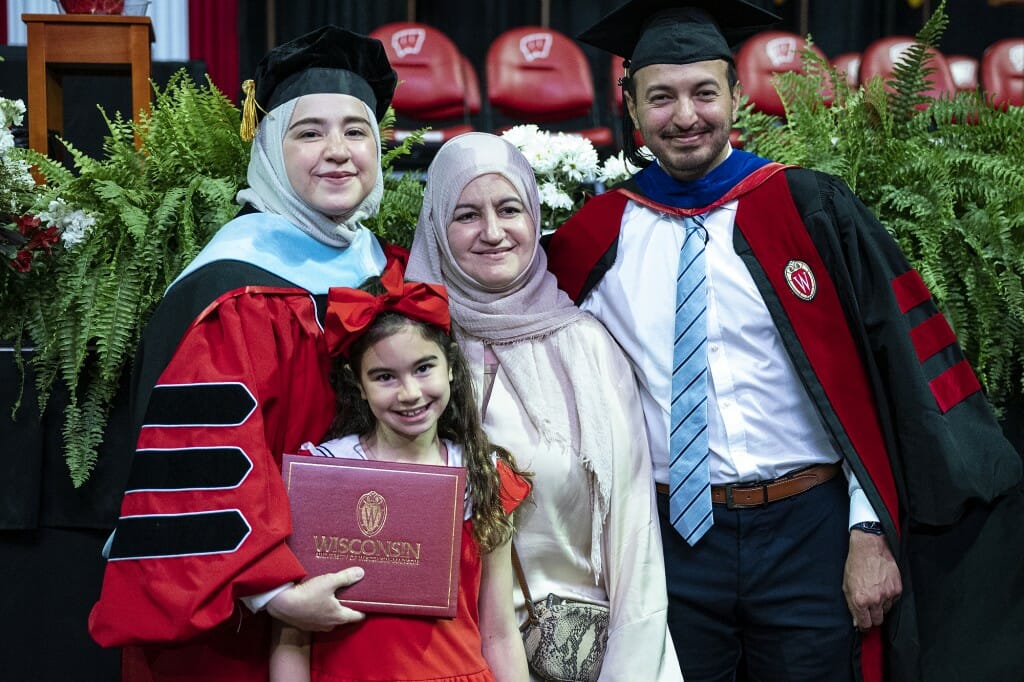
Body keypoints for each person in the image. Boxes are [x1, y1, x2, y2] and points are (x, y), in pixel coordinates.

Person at [545, 1, 1024, 681]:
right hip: (669, 543)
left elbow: (885, 384)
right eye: (662, 97)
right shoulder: (595, 239)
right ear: (632, 109)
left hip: (811, 530)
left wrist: (868, 529)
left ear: (737, 97)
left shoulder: (813, 211)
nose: (685, 116)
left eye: (704, 92)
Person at [87, 26, 408, 680]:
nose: (338, 152)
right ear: (266, 150)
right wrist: (277, 593)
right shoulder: (231, 289)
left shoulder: (392, 275)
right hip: (241, 625)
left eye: (356, 131)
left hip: (371, 608)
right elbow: (206, 455)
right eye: (308, 132)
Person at [407, 132, 683, 681]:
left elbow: (633, 539)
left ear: (534, 216)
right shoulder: (410, 348)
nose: (492, 232)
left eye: (509, 209)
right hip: (439, 658)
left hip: (576, 659)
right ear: (437, 224)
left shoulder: (588, 346)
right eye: (466, 214)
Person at [270, 269, 530, 682]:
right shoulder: (324, 473)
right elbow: (292, 634)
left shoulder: (482, 475)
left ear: (450, 367)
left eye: (424, 368)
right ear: (358, 384)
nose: (409, 393)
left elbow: (498, 632)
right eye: (385, 377)